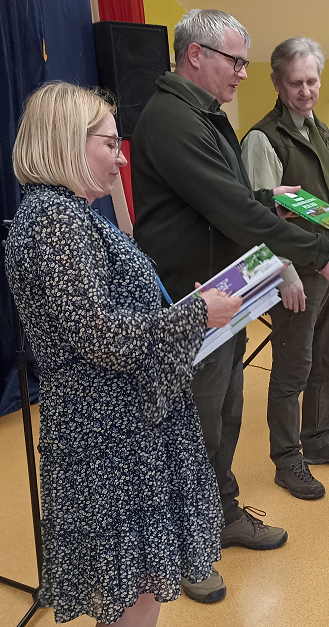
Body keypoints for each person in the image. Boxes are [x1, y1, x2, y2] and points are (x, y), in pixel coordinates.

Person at [131, 10, 329, 601]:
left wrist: (263, 195)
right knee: (196, 424)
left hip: (222, 299)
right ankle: (187, 550)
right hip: (191, 303)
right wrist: (318, 251)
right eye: (235, 61)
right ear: (196, 55)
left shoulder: (203, 114)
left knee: (225, 412)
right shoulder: (173, 118)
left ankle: (222, 513)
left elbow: (226, 198)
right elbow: (229, 211)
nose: (242, 72)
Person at [4, 82, 242, 626]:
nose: (121, 157)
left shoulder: (70, 215)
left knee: (136, 587)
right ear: (68, 141)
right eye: (110, 144)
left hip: (124, 428)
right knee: (130, 591)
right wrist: (195, 314)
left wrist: (189, 311)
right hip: (109, 436)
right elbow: (102, 337)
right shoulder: (55, 221)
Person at [241, 37, 329, 500]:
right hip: (297, 273)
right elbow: (258, 220)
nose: (306, 90)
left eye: (312, 81)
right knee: (293, 368)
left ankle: (317, 438)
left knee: (328, 359)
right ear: (277, 82)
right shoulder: (262, 139)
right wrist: (284, 273)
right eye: (296, 83)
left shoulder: (323, 132)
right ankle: (287, 458)